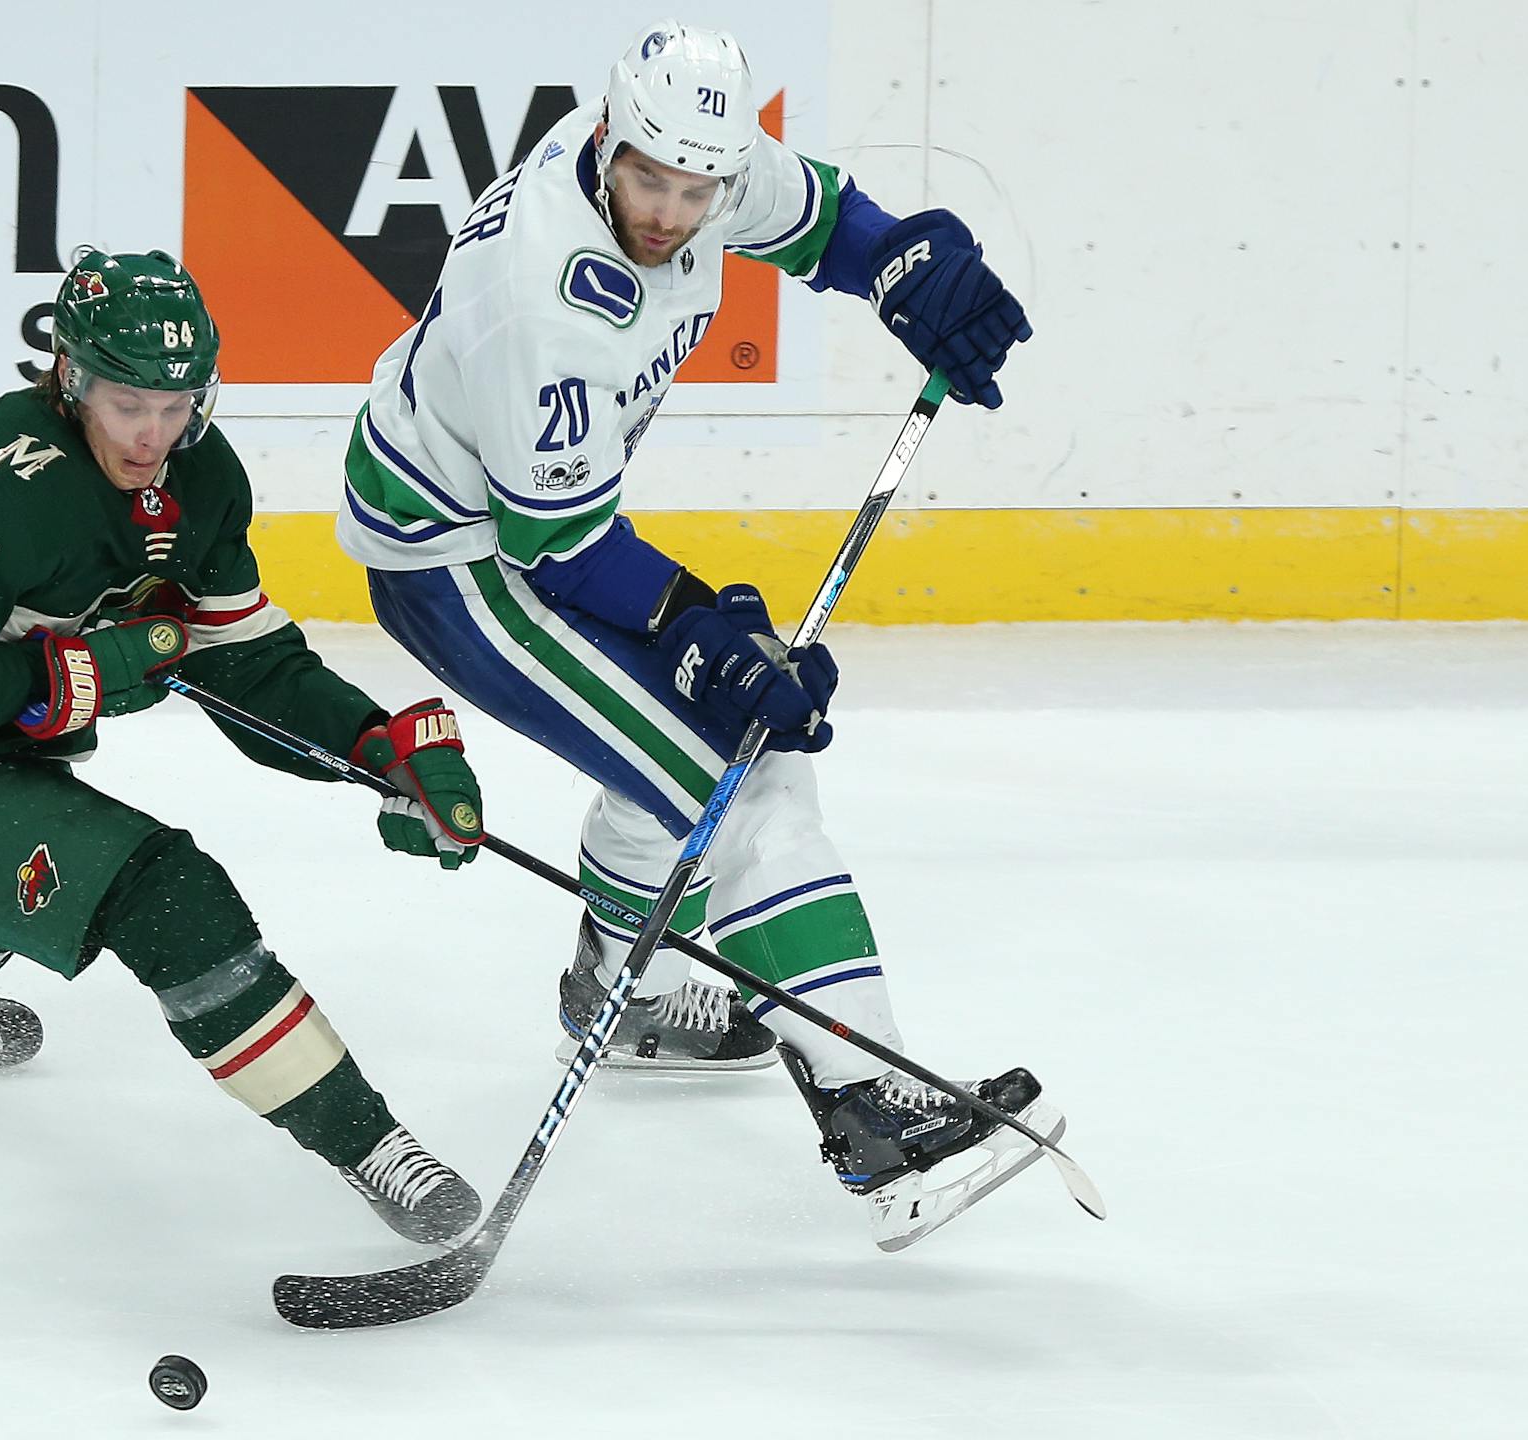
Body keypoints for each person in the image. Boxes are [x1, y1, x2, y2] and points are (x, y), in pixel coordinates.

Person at [335, 21, 1059, 1248]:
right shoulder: (541, 301)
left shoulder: (695, 156)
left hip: (528, 525)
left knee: (683, 752)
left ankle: (627, 996)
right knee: (746, 769)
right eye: (651, 182)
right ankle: (870, 1110)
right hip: (460, 561)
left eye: (696, 189)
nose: (671, 212)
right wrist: (704, 637)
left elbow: (818, 222)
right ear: (609, 140)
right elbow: (556, 549)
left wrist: (904, 273)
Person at [0, 249, 487, 1244]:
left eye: (177, 405)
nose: (154, 434)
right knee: (164, 894)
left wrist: (371, 747)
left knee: (25, 866)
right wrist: (64, 676)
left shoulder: (202, 476)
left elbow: (244, 666)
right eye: (127, 405)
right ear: (70, 378)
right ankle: (374, 1149)